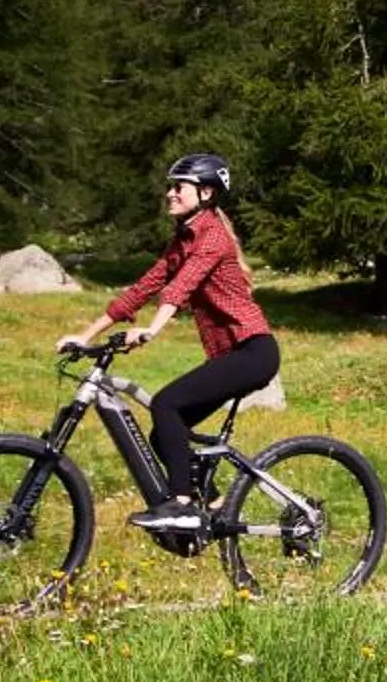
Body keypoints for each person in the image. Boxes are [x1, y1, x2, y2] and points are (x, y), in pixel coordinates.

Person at [58, 151, 277, 536]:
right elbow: (143, 288)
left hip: (253, 350)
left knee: (166, 404)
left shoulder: (213, 236)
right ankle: (211, 503)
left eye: (179, 187)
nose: (170, 194)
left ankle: (183, 506)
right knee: (165, 431)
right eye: (170, 187)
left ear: (206, 194)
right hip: (232, 355)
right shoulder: (182, 240)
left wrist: (152, 330)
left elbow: (182, 285)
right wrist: (85, 335)